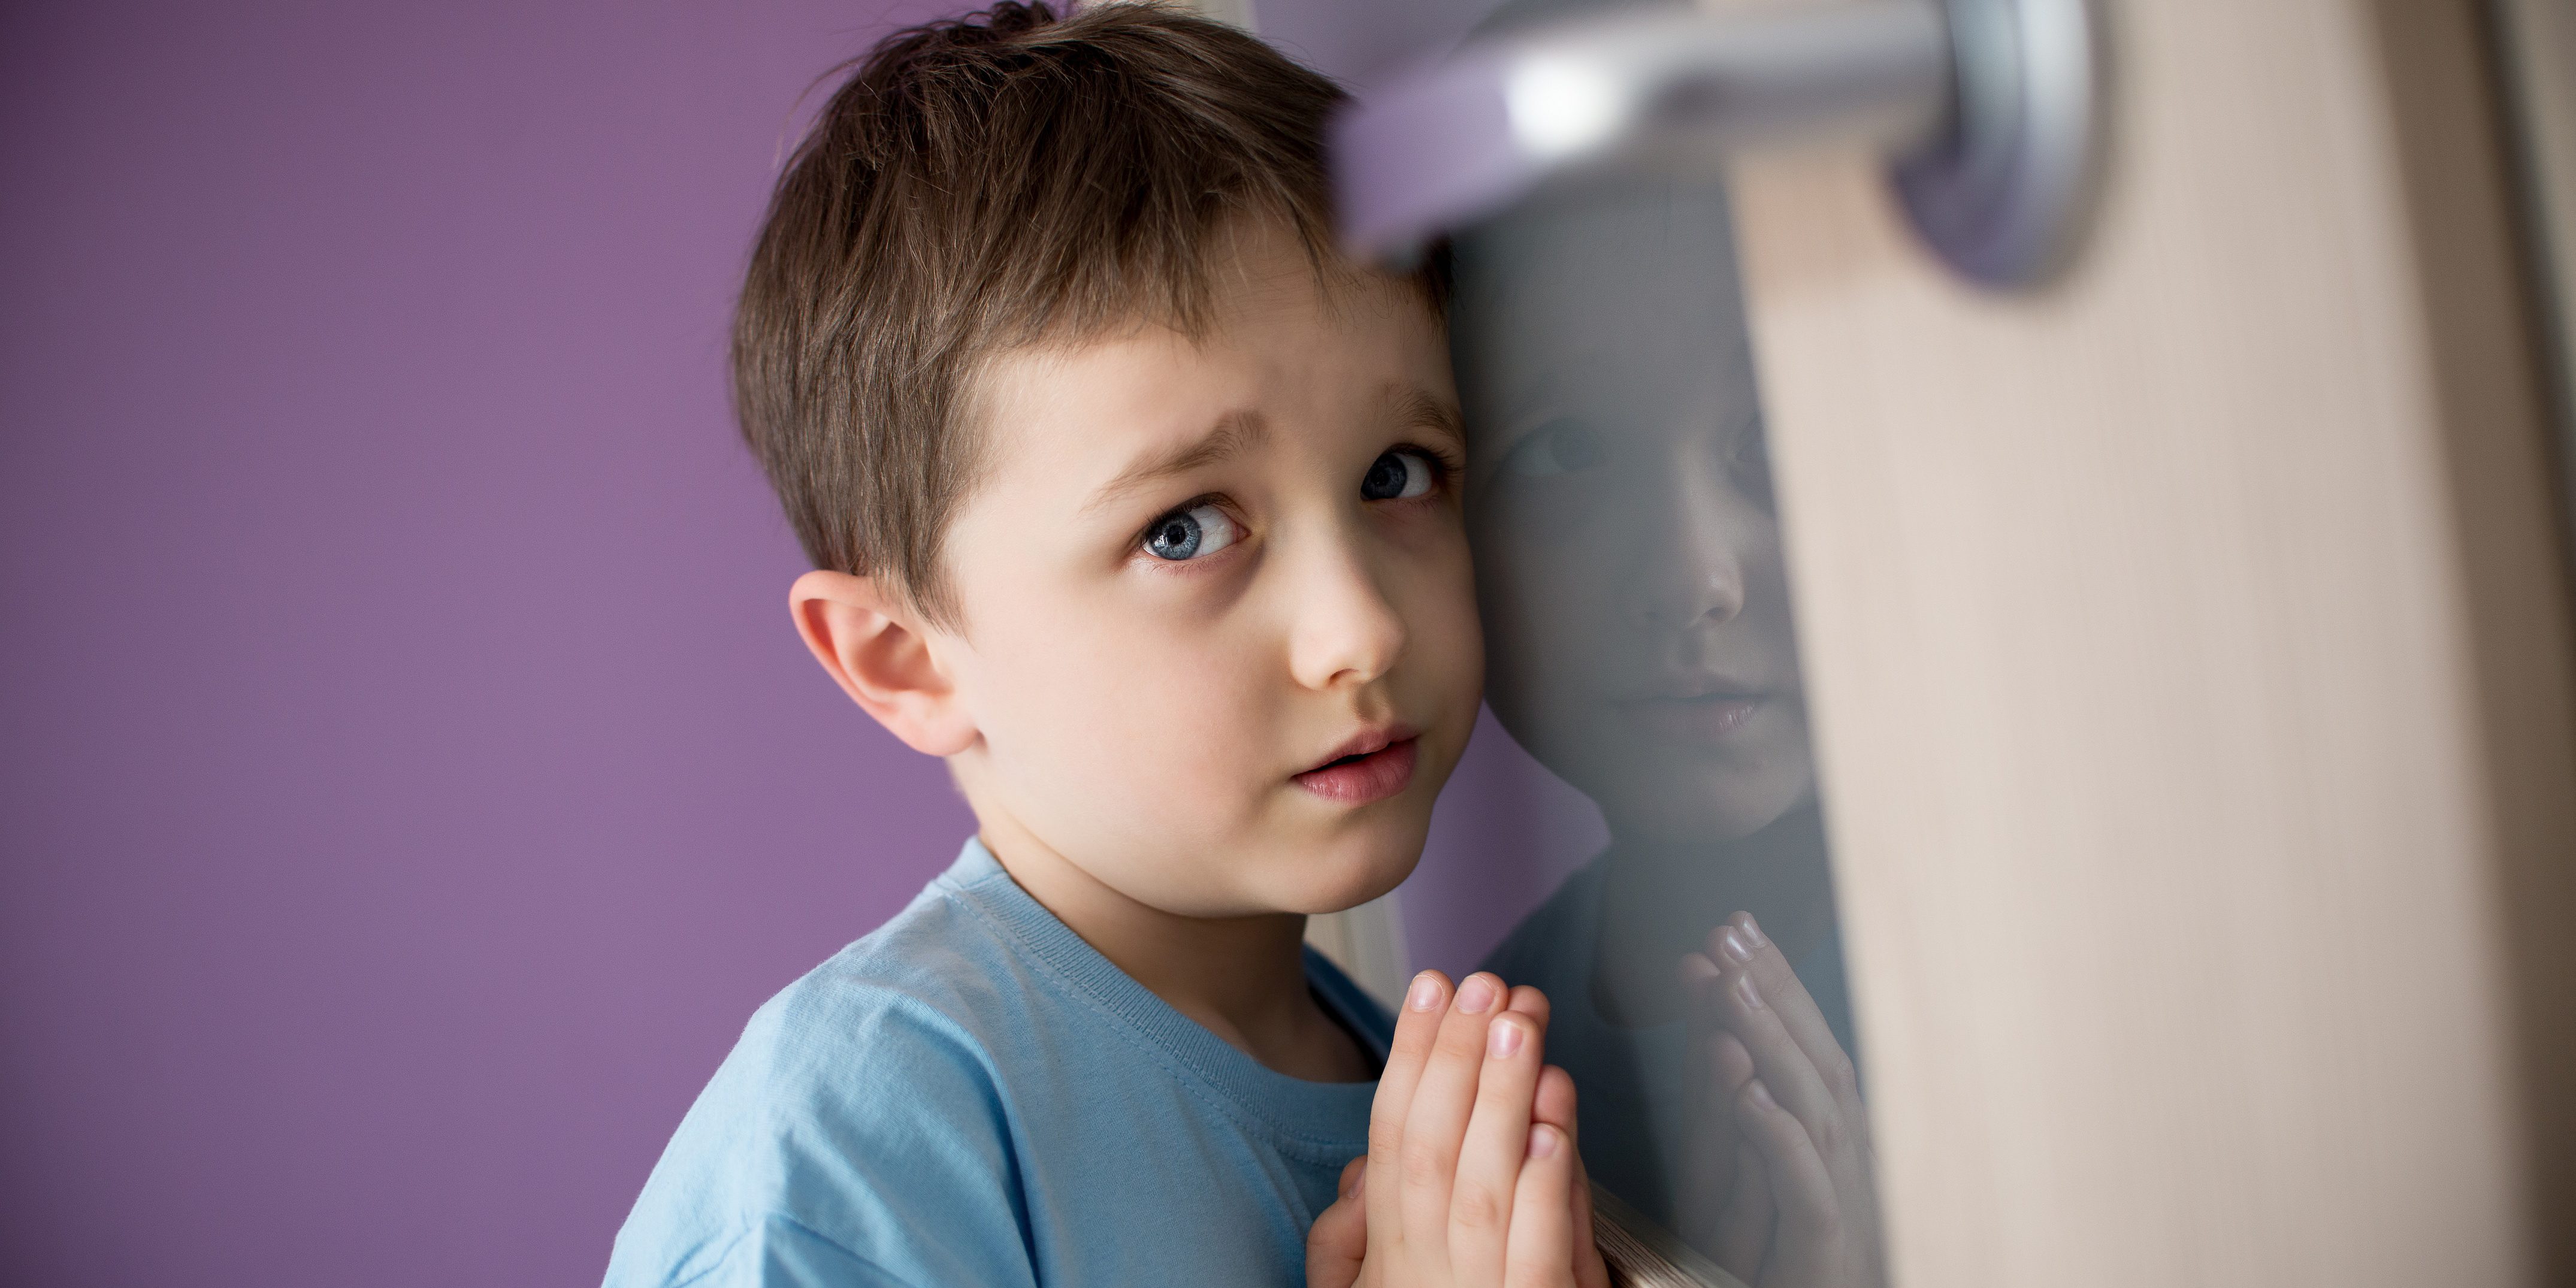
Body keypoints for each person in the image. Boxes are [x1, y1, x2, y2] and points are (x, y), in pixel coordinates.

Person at [604, 6, 1602, 1286]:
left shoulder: (1393, 1073)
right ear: (903, 658)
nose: (1361, 625)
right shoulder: (850, 1156)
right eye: (1183, 530)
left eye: (1395, 471)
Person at [1456, 177, 1887, 1288]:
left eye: (1773, 433)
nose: (1691, 579)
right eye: (1563, 453)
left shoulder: (2056, 960)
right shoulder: (1489, 1062)